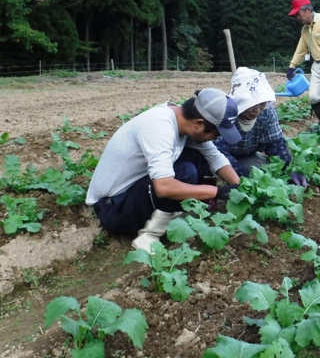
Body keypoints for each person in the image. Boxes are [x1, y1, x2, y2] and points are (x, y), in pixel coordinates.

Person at [86, 88, 242, 253]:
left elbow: (214, 157)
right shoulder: (159, 127)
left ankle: (180, 214)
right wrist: (217, 191)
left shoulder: (182, 120)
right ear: (199, 124)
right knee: (185, 171)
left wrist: (241, 187)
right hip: (114, 208)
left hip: (132, 193)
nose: (215, 139)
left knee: (196, 157)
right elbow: (164, 187)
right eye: (216, 135)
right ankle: (149, 236)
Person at [214, 67, 308, 187]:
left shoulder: (267, 113)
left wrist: (288, 170)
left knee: (264, 173)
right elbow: (219, 152)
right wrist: (243, 180)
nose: (257, 110)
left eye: (262, 103)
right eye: (252, 104)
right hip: (217, 159)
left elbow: (275, 145)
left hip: (247, 156)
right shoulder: (226, 113)